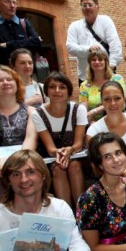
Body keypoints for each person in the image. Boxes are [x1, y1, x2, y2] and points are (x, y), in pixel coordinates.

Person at [31, 72, 87, 208]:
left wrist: (70, 150)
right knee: (58, 168)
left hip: (77, 155)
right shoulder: (38, 114)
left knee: (74, 166)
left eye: (62, 87)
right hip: (53, 158)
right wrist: (61, 154)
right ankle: (66, 213)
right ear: (46, 92)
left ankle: (82, 213)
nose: (57, 91)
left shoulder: (78, 109)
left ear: (68, 91)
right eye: (52, 87)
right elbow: (50, 148)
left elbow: (78, 143)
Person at [0, 65, 37, 200]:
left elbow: (30, 139)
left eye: (9, 79)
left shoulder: (31, 111)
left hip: (25, 160)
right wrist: (1, 168)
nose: (5, 83)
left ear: (17, 83)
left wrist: (19, 167)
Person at [66, 0, 122, 83]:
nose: (87, 7)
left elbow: (114, 44)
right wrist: (88, 49)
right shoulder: (74, 26)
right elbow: (70, 47)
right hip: (85, 77)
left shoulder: (106, 21)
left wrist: (111, 66)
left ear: (97, 7)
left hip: (107, 75)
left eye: (90, 5)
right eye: (84, 5)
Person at [0, 0, 41, 66]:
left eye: (14, 2)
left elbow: (36, 42)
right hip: (6, 72)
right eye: (7, 2)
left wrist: (8, 44)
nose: (12, 6)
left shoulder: (24, 23)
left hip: (26, 70)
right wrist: (26, 43)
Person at [79, 49, 125, 123]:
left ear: (106, 62)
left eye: (100, 59)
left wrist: (95, 111)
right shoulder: (84, 86)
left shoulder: (117, 79)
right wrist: (92, 124)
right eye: (93, 60)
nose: (97, 62)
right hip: (94, 124)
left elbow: (122, 101)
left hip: (117, 121)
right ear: (90, 63)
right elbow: (83, 110)